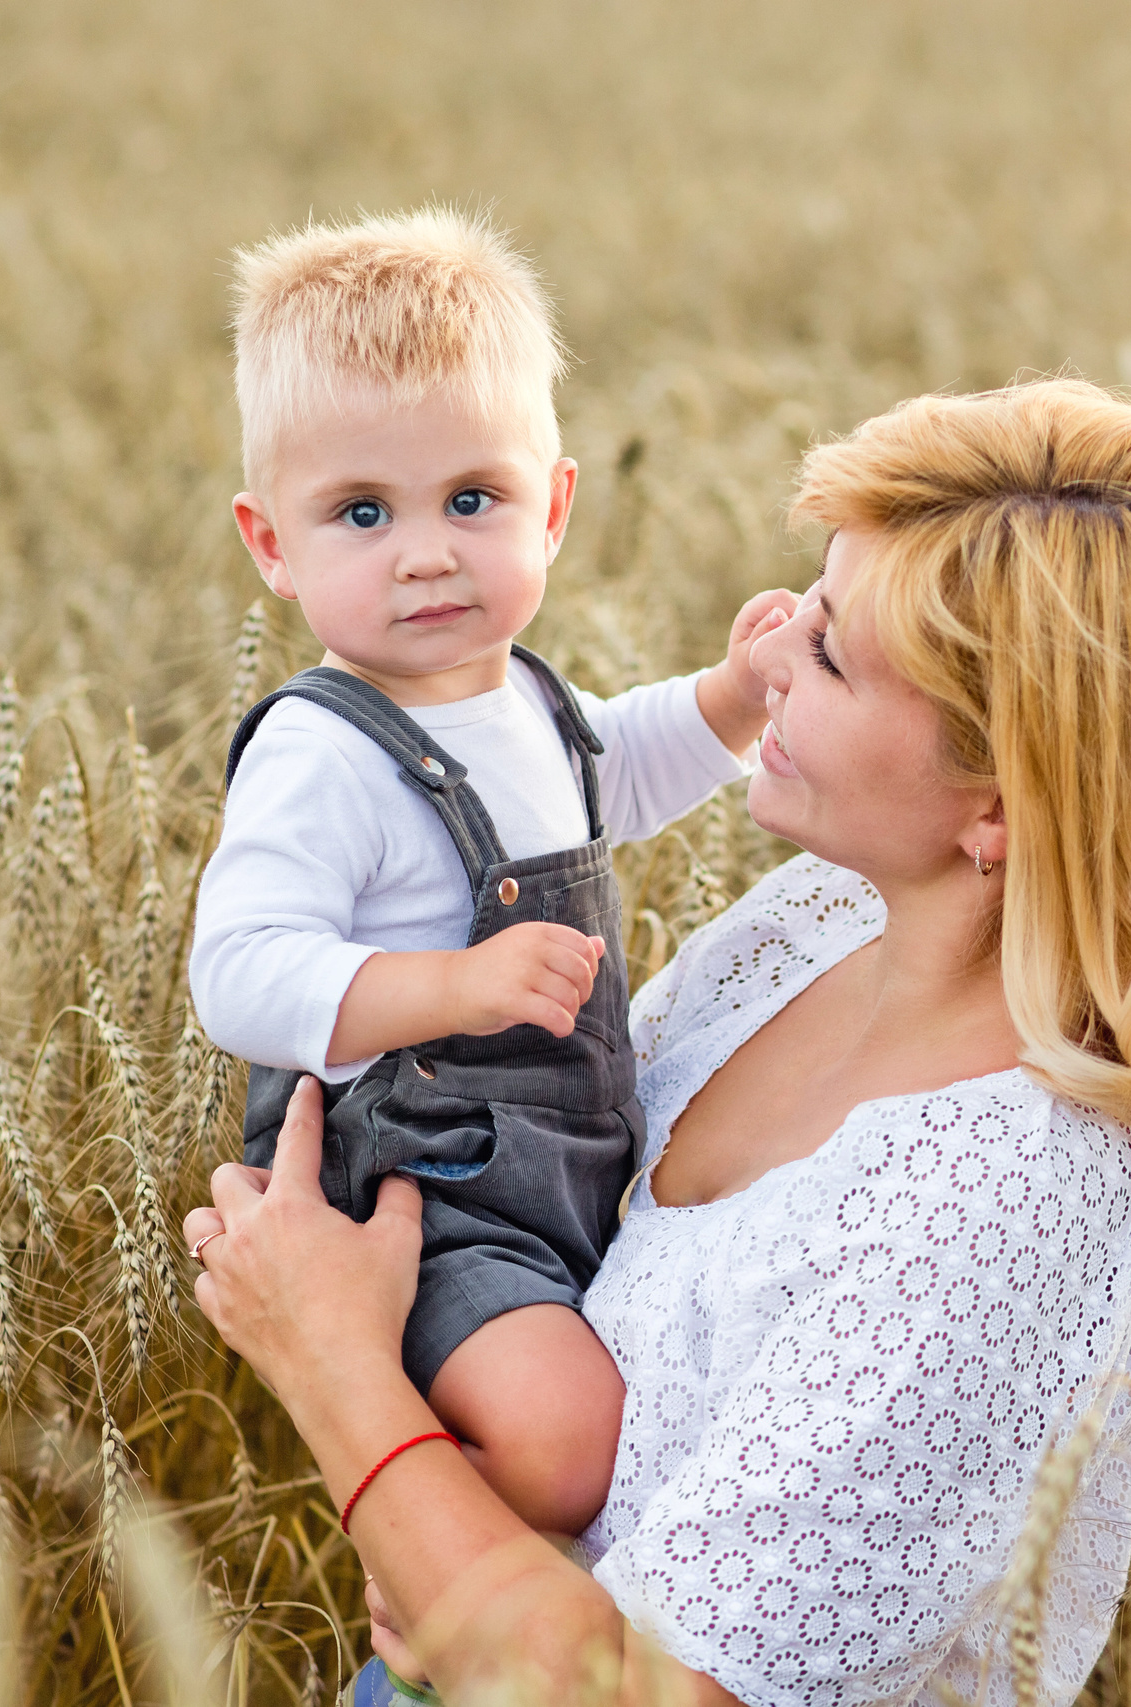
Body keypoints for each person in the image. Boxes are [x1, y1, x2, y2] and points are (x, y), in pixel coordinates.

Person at [187, 378, 1131, 1707]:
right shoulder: (825, 924)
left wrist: (336, 1373)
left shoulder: (1010, 1198)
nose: (773, 652)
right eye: (811, 602)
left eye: (828, 655)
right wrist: (447, 1530)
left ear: (999, 804)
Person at [188, 206, 797, 1536]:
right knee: (571, 1449)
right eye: (362, 512)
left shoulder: (521, 693)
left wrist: (735, 699)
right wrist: (453, 987)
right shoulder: (321, 750)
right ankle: (431, 1594)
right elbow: (238, 976)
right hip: (426, 1191)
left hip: (575, 1165)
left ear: (555, 505)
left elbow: (607, 776)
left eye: (474, 500)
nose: (425, 551)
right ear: (271, 546)